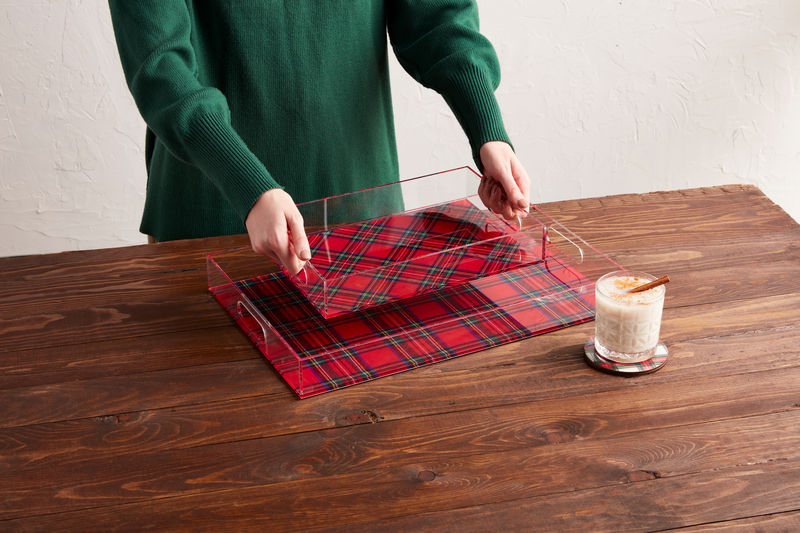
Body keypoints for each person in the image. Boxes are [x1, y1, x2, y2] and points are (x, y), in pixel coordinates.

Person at [109, 1, 530, 274]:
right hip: (211, 224)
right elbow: (160, 70)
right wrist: (250, 188)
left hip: (363, 216)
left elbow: (438, 17)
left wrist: (486, 129)